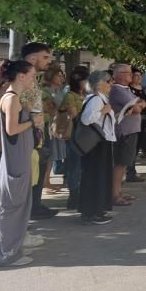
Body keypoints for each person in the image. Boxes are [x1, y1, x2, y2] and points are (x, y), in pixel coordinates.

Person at [0, 60, 42, 266]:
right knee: (14, 206)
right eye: (32, 75)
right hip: (16, 159)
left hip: (18, 157)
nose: (34, 79)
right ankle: (8, 253)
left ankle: (13, 250)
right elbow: (11, 129)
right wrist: (33, 122)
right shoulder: (12, 99)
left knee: (17, 205)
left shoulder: (14, 98)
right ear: (21, 76)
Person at [20, 43, 58, 220]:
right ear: (32, 58)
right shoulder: (20, 79)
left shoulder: (34, 79)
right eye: (45, 57)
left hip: (38, 134)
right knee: (28, 175)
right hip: (25, 135)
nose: (48, 62)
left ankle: (35, 205)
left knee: (38, 171)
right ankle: (26, 212)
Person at [78, 71, 116, 225]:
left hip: (100, 142)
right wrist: (103, 111)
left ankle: (95, 210)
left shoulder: (100, 99)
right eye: (108, 81)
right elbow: (86, 119)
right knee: (95, 177)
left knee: (98, 176)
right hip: (96, 144)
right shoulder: (95, 100)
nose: (111, 84)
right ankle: (93, 212)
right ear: (99, 84)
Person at [109, 64, 146, 206]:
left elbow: (142, 102)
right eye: (129, 72)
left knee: (124, 164)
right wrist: (139, 105)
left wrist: (140, 105)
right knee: (120, 163)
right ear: (119, 74)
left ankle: (118, 192)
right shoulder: (117, 90)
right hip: (123, 132)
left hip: (130, 130)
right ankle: (114, 195)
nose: (132, 75)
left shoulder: (126, 89)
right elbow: (136, 107)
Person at [60, 67, 88, 210]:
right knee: (74, 166)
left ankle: (82, 193)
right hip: (74, 134)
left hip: (85, 135)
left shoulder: (86, 94)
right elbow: (74, 115)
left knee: (82, 165)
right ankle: (73, 195)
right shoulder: (70, 96)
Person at [41, 63, 67, 194]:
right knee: (48, 154)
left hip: (58, 124)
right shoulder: (45, 91)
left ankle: (48, 182)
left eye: (62, 75)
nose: (61, 77)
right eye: (58, 75)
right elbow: (50, 108)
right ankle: (45, 183)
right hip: (48, 124)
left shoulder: (60, 90)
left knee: (52, 155)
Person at [127, 68, 146, 182]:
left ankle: (132, 169)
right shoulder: (129, 90)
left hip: (143, 120)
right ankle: (130, 171)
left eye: (140, 76)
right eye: (136, 75)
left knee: (138, 144)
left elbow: (145, 103)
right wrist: (141, 104)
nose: (139, 77)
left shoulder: (142, 89)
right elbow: (135, 104)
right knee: (132, 147)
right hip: (133, 120)